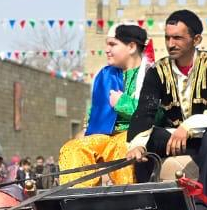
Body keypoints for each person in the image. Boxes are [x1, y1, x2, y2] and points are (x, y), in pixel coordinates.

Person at [127, 10, 207, 210]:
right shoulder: (157, 71)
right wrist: (136, 145)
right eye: (167, 37)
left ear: (196, 39)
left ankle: (202, 204)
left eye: (178, 38)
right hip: (175, 140)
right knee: (145, 140)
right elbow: (145, 111)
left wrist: (188, 126)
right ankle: (147, 206)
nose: (171, 44)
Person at [58, 24, 149, 187]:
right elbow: (96, 110)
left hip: (135, 135)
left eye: (112, 44)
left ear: (132, 47)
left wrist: (122, 103)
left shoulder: (152, 73)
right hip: (103, 136)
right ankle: (78, 206)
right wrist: (86, 128)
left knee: (122, 149)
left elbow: (156, 113)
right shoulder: (105, 75)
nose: (107, 50)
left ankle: (130, 205)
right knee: (73, 148)